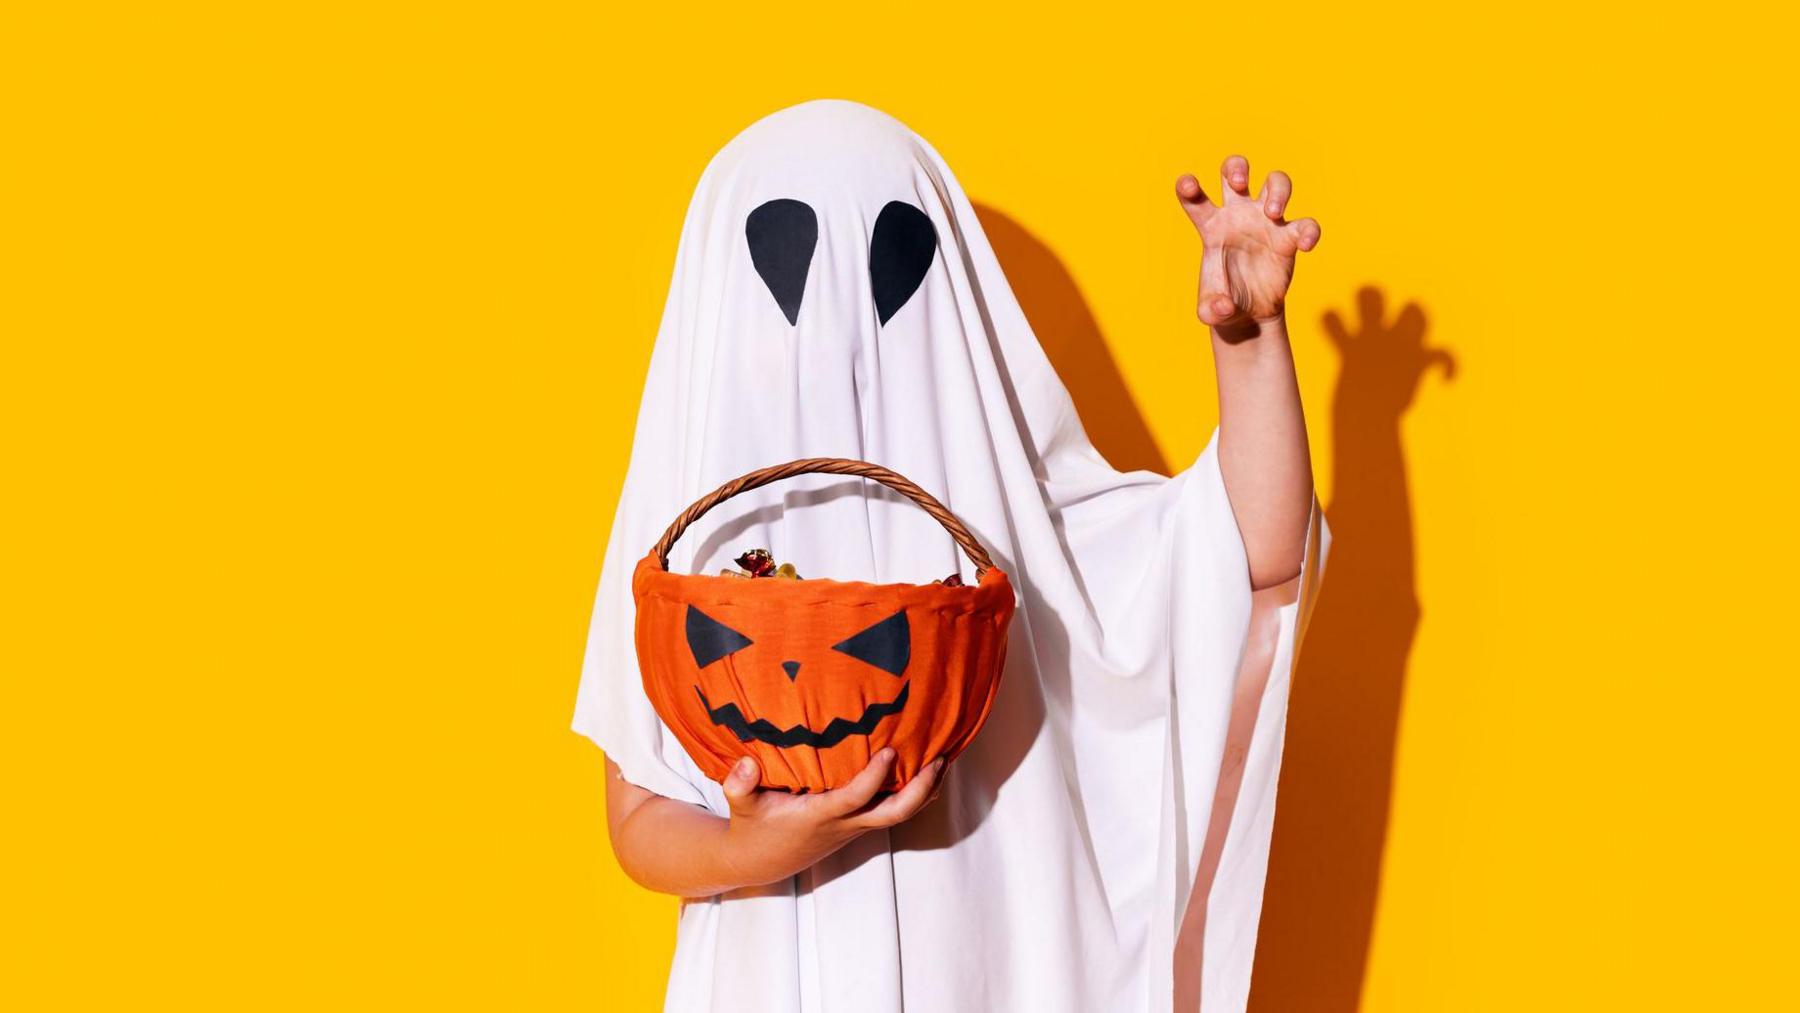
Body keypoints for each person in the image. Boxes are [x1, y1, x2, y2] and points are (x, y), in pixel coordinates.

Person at [573, 99, 1329, 1013]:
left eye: (892, 257)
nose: (839, 315)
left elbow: (1249, 558)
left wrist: (1249, 344)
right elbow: (638, 817)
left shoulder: (1023, 529)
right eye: (785, 259)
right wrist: (765, 845)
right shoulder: (691, 546)